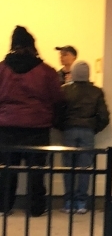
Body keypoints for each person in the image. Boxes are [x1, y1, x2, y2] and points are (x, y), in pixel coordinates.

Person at [0, 26, 64, 216]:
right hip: (37, 128)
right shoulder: (46, 71)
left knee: (6, 170)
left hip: (6, 128)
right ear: (32, 45)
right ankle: (36, 208)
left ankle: (4, 206)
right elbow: (58, 98)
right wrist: (55, 121)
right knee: (36, 171)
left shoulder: (2, 69)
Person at [60, 61, 110, 214]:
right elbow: (104, 116)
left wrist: (62, 126)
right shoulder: (96, 91)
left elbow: (57, 113)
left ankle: (69, 202)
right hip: (87, 131)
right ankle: (82, 202)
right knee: (84, 168)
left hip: (69, 130)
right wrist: (94, 128)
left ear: (73, 73)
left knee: (68, 167)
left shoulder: (64, 90)